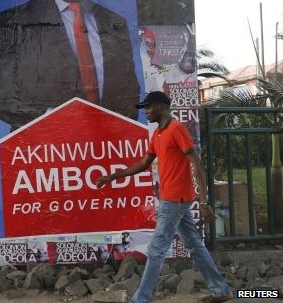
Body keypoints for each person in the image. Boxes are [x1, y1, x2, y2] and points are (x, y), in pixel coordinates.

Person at [95, 91, 232, 303]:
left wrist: (204, 201)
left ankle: (141, 299)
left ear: (160, 106)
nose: (146, 112)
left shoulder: (176, 129)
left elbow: (197, 164)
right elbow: (143, 164)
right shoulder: (158, 134)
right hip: (174, 200)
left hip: (175, 200)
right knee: (194, 246)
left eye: (148, 107)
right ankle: (221, 289)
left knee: (157, 249)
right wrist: (112, 177)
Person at [0, 0, 140, 131]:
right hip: (43, 146)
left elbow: (130, 93)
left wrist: (119, 131)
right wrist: (53, 121)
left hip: (109, 146)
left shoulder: (115, 22)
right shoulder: (14, 20)